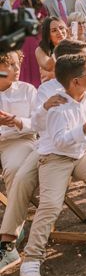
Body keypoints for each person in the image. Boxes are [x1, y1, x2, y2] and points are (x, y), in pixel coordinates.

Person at [0, 40, 86, 276]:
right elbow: (43, 127)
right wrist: (39, 111)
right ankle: (8, 240)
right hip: (50, 147)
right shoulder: (47, 89)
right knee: (23, 176)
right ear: (68, 63)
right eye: (85, 59)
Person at [17, 54, 86, 276]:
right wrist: (85, 127)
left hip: (82, 154)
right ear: (75, 81)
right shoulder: (58, 105)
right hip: (55, 157)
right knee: (51, 204)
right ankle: (32, 257)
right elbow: (59, 141)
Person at [0, 51, 37, 248]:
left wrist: (17, 121)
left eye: (17, 64)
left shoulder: (27, 90)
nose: (17, 69)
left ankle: (13, 228)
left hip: (19, 139)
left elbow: (40, 123)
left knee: (15, 169)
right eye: (11, 65)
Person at [12, 0, 48, 87]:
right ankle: (25, 86)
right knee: (26, 61)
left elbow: (45, 17)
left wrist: (41, 21)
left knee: (37, 60)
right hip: (25, 36)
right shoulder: (18, 2)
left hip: (38, 36)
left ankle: (38, 86)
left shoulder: (39, 3)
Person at [34, 17, 68, 84]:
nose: (59, 32)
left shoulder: (73, 45)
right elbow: (48, 67)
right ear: (48, 35)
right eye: (54, 30)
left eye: (61, 28)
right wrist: (60, 46)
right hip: (50, 89)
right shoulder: (40, 50)